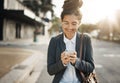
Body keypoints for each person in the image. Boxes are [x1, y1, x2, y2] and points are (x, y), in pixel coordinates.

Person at [47, 0, 95, 83]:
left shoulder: (86, 39)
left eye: (74, 23)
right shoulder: (54, 41)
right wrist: (62, 63)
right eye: (66, 23)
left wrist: (76, 61)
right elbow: (50, 70)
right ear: (61, 22)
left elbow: (91, 67)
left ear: (79, 23)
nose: (69, 27)